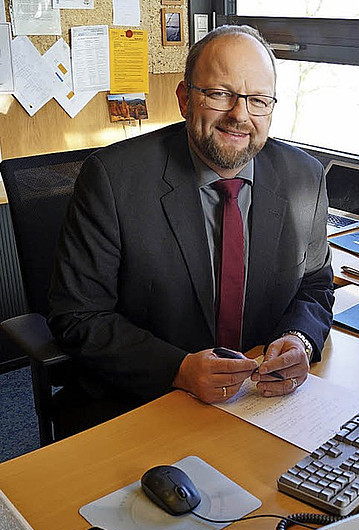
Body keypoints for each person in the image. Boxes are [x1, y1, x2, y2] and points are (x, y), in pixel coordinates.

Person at [48, 25, 334, 437]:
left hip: (262, 401)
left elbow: (316, 285)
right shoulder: (113, 178)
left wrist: (298, 338)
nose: (240, 115)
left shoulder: (305, 177)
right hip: (145, 402)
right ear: (185, 98)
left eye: (258, 100)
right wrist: (177, 369)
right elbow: (77, 315)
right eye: (219, 94)